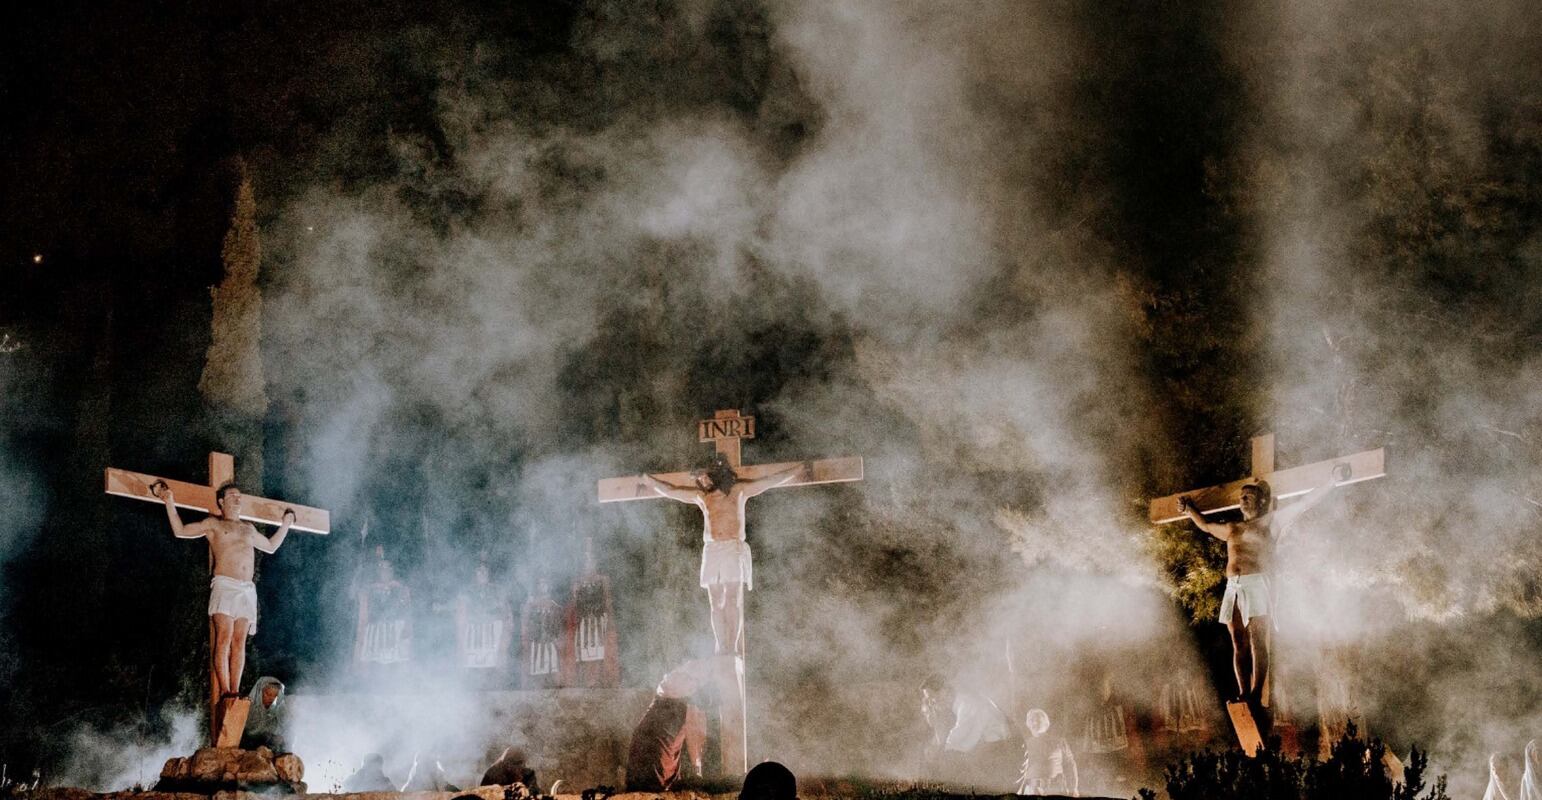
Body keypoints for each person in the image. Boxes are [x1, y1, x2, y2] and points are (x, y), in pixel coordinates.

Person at [1177, 464, 1348, 707]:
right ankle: (1243, 692)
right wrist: (1188, 509)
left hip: (1257, 583)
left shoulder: (1270, 522)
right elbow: (1205, 525)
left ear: (1261, 501)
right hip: (1233, 587)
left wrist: (1332, 481)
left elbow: (1304, 504)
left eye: (1249, 495)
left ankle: (1256, 693)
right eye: (1241, 496)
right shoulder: (1232, 528)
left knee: (1257, 640)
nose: (1243, 499)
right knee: (1238, 640)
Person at [644, 455, 804, 654]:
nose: (702, 481)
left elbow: (768, 482)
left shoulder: (739, 491)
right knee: (715, 601)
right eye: (699, 479)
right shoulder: (702, 497)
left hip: (732, 548)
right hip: (712, 550)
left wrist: (795, 471)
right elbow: (671, 491)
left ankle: (732, 645)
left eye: (705, 476)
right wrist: (649, 481)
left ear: (716, 475)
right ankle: (721, 645)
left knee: (732, 598)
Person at [159, 482, 295, 697]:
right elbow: (181, 530)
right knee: (224, 636)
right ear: (221, 502)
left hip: (247, 589)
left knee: (239, 642)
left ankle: (235, 690)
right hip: (225, 585)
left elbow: (270, 546)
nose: (237, 499)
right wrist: (169, 501)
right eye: (232, 496)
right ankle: (224, 690)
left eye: (239, 496)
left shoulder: (248, 528)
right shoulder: (213, 524)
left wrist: (286, 523)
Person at [625, 659, 712, 791]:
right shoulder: (691, 690)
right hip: (657, 753)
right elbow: (694, 736)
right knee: (657, 789)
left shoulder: (673, 681)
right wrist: (697, 770)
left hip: (643, 746)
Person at [919, 674, 1015, 789]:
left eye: (932, 697)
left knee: (952, 765)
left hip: (1004, 755)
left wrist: (938, 752)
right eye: (928, 700)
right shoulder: (959, 705)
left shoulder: (967, 703)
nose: (930, 703)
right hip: (995, 753)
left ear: (944, 691)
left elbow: (959, 741)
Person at [1017, 709, 1077, 797]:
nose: (1035, 723)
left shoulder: (1059, 742)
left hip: (1056, 790)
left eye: (1038, 720)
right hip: (1032, 791)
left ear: (1046, 724)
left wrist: (1074, 788)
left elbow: (1070, 764)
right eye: (1032, 720)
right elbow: (1019, 771)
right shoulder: (1024, 745)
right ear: (1028, 725)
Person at [240, 676, 287, 751]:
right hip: (246, 745)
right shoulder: (248, 707)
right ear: (259, 692)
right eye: (268, 694)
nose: (271, 698)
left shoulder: (275, 712)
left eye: (275, 695)